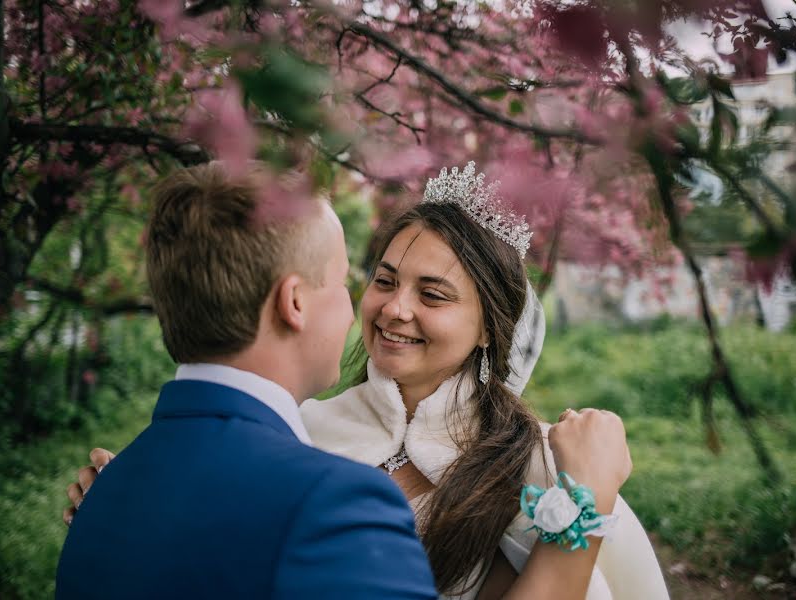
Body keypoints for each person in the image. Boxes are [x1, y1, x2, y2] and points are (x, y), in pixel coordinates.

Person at [65, 163, 669, 599]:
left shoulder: (546, 467)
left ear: (490, 327)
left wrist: (582, 503)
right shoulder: (302, 433)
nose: (392, 309)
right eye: (381, 280)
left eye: (431, 294)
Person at [55, 162, 438, 599]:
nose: (354, 312)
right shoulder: (335, 505)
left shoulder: (104, 493)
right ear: (294, 302)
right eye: (341, 284)